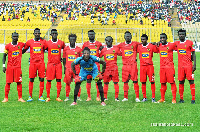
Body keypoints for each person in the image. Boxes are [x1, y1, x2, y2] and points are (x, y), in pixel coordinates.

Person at [22, 28, 46, 102]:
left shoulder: (43, 42)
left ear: (40, 34)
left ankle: (40, 96)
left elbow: (48, 49)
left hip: (41, 63)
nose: (37, 34)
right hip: (33, 63)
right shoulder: (30, 42)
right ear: (34, 34)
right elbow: (23, 50)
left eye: (38, 33)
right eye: (36, 33)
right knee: (31, 79)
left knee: (41, 78)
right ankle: (30, 96)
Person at [2, 32, 26, 102]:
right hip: (10, 67)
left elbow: (28, 45)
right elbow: (4, 56)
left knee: (19, 82)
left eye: (16, 36)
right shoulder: (8, 46)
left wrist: (22, 52)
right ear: (11, 37)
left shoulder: (21, 44)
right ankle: (6, 98)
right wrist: (4, 65)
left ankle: (20, 98)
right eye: (14, 36)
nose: (15, 38)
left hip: (18, 67)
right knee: (8, 82)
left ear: (18, 37)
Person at [174, 29, 196, 104]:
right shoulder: (176, 44)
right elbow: (167, 45)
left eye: (182, 34)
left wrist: (194, 64)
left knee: (191, 81)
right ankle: (181, 99)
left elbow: (193, 54)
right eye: (180, 34)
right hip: (180, 66)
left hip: (189, 66)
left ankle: (193, 99)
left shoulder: (189, 43)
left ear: (185, 35)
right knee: (181, 81)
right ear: (178, 35)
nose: (181, 35)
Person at [118, 31, 140, 102]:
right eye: (126, 36)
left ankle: (137, 97)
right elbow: (113, 49)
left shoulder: (135, 43)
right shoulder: (121, 45)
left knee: (135, 81)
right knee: (125, 82)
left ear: (131, 37)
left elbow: (144, 44)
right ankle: (125, 97)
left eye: (129, 36)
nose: (128, 37)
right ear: (124, 37)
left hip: (133, 65)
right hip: (125, 66)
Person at [82, 30, 104, 101]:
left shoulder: (98, 44)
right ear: (88, 35)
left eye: (92, 34)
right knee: (88, 80)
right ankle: (89, 97)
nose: (91, 35)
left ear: (94, 35)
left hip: (96, 66)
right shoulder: (85, 44)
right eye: (90, 34)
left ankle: (98, 96)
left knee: (97, 81)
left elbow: (102, 52)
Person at [44, 29, 65, 102]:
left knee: (58, 80)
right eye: (53, 33)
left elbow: (65, 50)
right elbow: (43, 50)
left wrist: (62, 58)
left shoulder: (61, 43)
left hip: (58, 64)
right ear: (51, 35)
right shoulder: (47, 43)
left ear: (57, 34)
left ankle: (58, 96)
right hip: (50, 64)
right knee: (49, 80)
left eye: (55, 33)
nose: (54, 34)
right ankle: (48, 97)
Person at [156, 33, 177, 104]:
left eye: (163, 38)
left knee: (172, 82)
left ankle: (174, 99)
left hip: (170, 67)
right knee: (162, 83)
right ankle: (162, 98)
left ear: (166, 38)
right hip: (162, 68)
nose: (162, 39)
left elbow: (179, 47)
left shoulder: (171, 45)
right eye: (161, 38)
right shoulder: (159, 46)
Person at [137, 34, 157, 103]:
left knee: (152, 81)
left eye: (144, 39)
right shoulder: (139, 46)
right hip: (142, 67)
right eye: (141, 39)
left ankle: (153, 98)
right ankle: (144, 97)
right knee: (143, 82)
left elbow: (157, 50)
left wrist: (156, 43)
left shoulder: (151, 46)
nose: (142, 41)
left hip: (150, 66)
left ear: (147, 39)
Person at [100, 36, 120, 101]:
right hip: (106, 69)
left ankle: (116, 98)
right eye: (107, 41)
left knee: (116, 83)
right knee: (105, 83)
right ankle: (105, 97)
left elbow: (122, 54)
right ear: (105, 41)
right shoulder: (103, 50)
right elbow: (99, 56)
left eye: (110, 40)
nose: (108, 42)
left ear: (112, 41)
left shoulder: (116, 49)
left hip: (114, 69)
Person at [63, 34, 82, 101]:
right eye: (71, 39)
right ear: (69, 40)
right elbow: (64, 59)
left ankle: (78, 96)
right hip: (68, 69)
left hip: (76, 69)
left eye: (73, 39)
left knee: (77, 82)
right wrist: (64, 68)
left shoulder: (79, 49)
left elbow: (81, 60)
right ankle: (67, 96)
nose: (72, 41)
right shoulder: (66, 49)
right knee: (67, 83)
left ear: (75, 40)